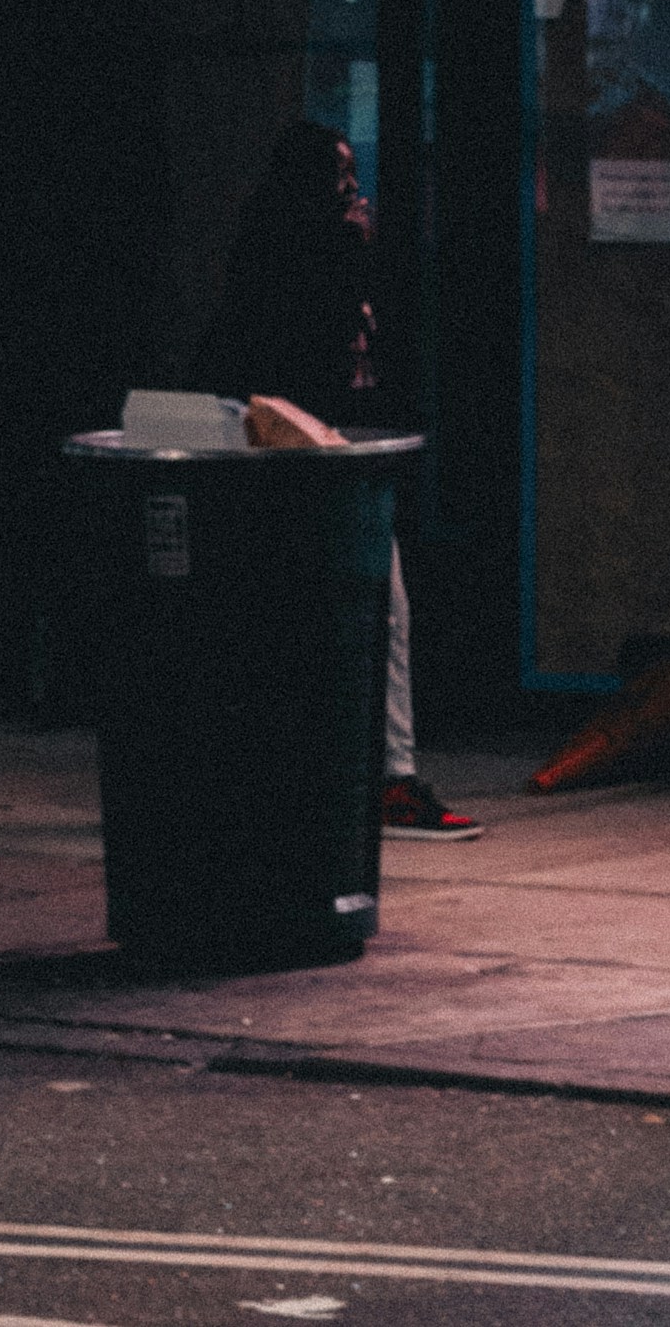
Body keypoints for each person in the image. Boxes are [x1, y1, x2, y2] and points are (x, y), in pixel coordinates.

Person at [212, 116, 466, 835]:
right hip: (293, 455)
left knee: (361, 612)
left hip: (312, 453)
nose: (356, 195)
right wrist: (348, 255)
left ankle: (357, 771)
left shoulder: (306, 252)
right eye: (341, 180)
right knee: (379, 610)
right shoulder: (297, 259)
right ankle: (389, 776)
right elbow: (297, 357)